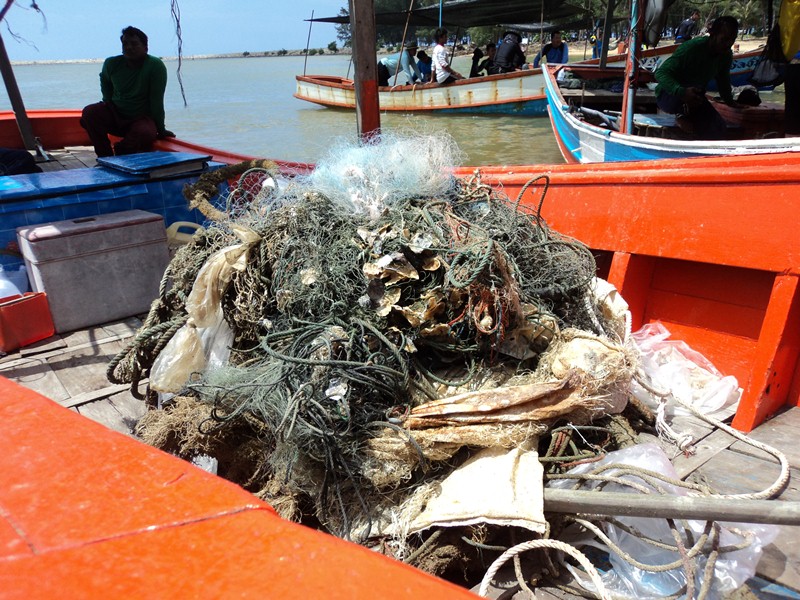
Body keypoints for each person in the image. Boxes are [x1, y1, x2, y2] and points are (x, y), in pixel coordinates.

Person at [81, 26, 174, 157]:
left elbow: (156, 100)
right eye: (125, 44)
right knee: (90, 113)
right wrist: (108, 102)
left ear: (146, 47)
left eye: (134, 44)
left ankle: (122, 151)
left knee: (145, 132)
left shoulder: (155, 66)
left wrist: (161, 129)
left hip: (140, 118)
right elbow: (105, 81)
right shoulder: (111, 63)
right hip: (116, 114)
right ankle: (105, 157)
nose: (129, 47)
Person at [655, 16, 739, 139]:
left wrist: (731, 102)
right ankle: (680, 115)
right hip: (669, 96)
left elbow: (723, 81)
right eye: (724, 39)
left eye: (732, 40)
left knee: (719, 127)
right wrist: (681, 92)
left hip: (695, 98)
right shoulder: (691, 48)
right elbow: (661, 73)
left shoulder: (726, 55)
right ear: (713, 34)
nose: (728, 44)